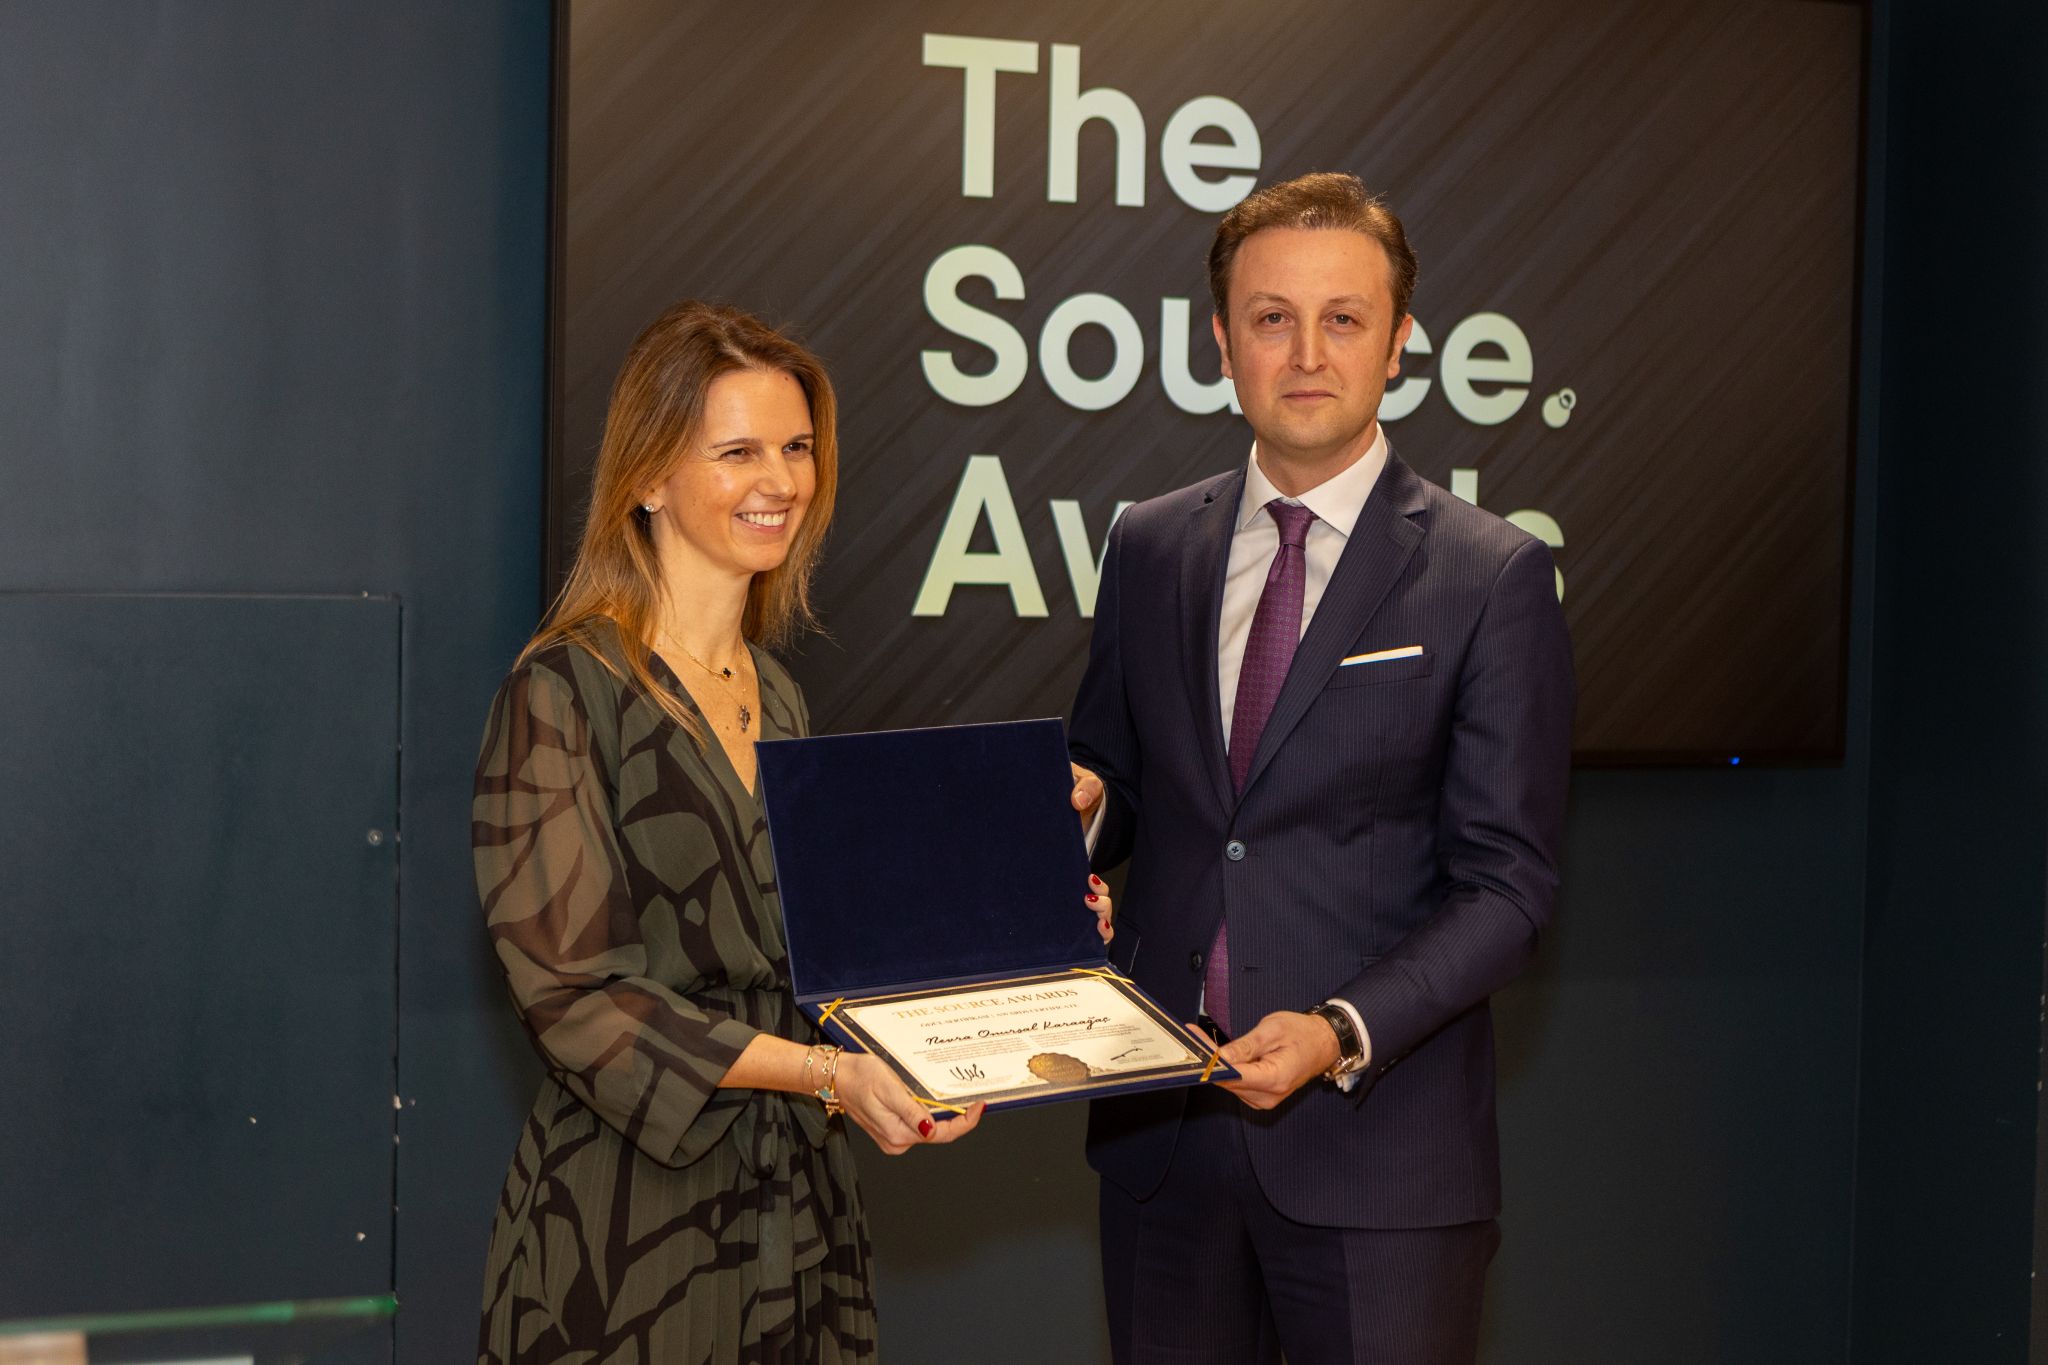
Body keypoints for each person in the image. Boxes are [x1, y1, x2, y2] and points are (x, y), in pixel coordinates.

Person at [471, 301, 1107, 1364]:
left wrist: (1032, 898)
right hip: (629, 1228)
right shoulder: (562, 691)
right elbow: (578, 1000)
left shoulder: (778, 696)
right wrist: (826, 1077)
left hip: (799, 1210)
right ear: (647, 478)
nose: (780, 481)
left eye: (797, 448)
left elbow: (825, 956)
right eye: (738, 452)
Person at [1066, 173, 1575, 1364]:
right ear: (1219, 342)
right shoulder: (1148, 544)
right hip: (1162, 1143)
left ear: (1397, 344)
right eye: (1270, 318)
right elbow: (1120, 779)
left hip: (1379, 1157)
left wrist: (1337, 1031)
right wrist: (1078, 815)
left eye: (1341, 319)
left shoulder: (1488, 575)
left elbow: (1506, 888)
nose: (1305, 353)